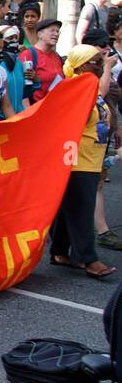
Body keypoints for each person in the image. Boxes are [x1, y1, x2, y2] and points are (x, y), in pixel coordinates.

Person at [49, 45, 116, 279]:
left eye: (100, 61)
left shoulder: (91, 88)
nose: (99, 65)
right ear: (81, 66)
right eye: (95, 61)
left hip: (92, 157)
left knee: (71, 207)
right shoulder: (74, 89)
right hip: (77, 159)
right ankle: (89, 259)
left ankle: (59, 251)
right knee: (82, 210)